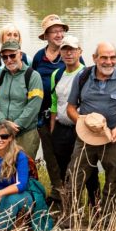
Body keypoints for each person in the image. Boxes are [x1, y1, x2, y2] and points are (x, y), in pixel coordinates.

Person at [66, 42, 116, 222]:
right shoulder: (82, 76)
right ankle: (68, 220)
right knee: (74, 177)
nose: (109, 62)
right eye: (104, 57)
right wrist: (85, 124)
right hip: (85, 138)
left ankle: (107, 223)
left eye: (113, 57)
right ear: (94, 58)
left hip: (114, 138)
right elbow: (70, 108)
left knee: (113, 180)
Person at [48, 35, 100, 217]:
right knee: (64, 171)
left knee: (89, 171)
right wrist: (53, 129)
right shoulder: (57, 74)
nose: (68, 53)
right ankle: (69, 209)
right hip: (62, 128)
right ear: (60, 52)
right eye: (64, 49)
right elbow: (55, 103)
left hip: (82, 129)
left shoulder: (88, 74)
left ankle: (96, 209)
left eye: (72, 49)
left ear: (80, 52)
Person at [31, 14, 79, 204]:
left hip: (66, 116)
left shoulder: (70, 55)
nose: (58, 34)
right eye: (54, 31)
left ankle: (70, 192)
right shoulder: (38, 57)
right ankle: (57, 190)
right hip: (43, 115)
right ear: (46, 35)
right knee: (50, 155)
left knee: (66, 156)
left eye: (61, 30)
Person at [0, 40, 43, 158]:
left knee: (25, 170)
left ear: (20, 55)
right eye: (5, 57)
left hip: (25, 133)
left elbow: (34, 106)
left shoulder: (33, 76)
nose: (9, 60)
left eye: (12, 55)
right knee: (2, 170)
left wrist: (17, 125)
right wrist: (4, 123)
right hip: (2, 133)